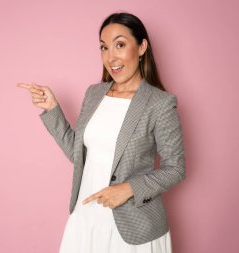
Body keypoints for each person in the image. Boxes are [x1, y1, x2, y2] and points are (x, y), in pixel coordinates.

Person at [17, 12, 185, 253]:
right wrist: (52, 109)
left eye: (120, 45)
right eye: (104, 47)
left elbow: (176, 168)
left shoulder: (160, 103)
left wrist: (129, 189)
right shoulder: (94, 93)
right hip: (86, 219)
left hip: (133, 227)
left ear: (141, 47)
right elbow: (81, 157)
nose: (111, 57)